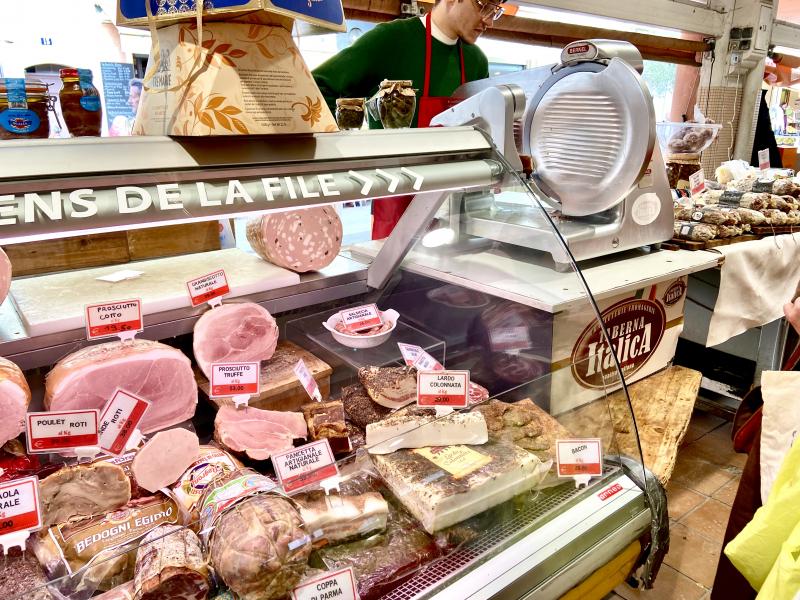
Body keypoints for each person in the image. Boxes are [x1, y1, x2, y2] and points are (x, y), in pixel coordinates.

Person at [312, 0, 504, 238]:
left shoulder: (476, 61)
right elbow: (318, 89)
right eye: (484, 7)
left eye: (496, 11)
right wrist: (349, 149)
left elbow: (481, 132)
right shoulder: (391, 40)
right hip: (395, 198)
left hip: (453, 206)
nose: (489, 21)